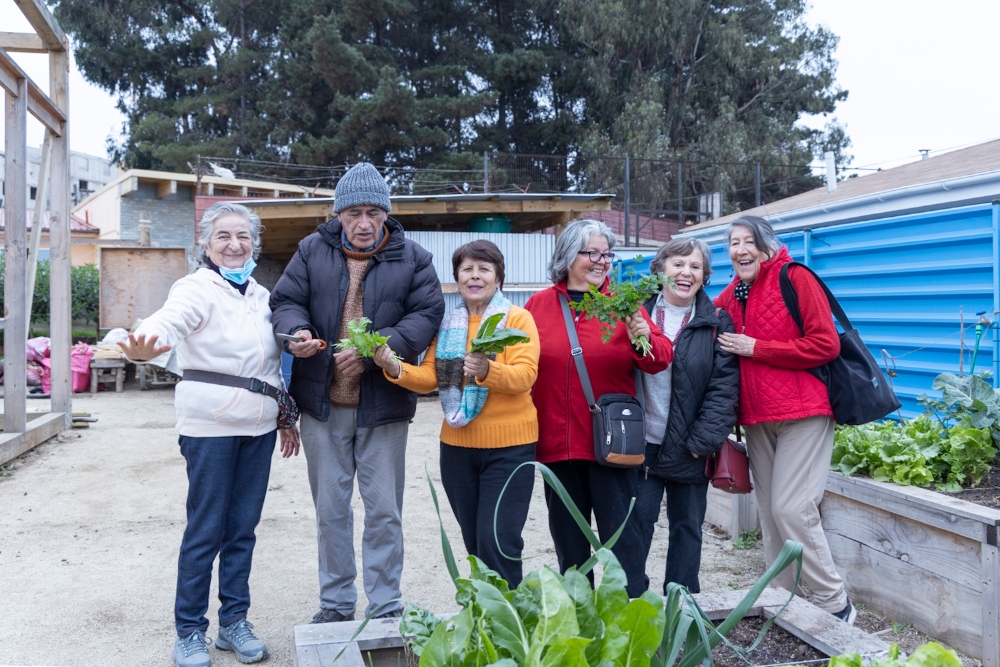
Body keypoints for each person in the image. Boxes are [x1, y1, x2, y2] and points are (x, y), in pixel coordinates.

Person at [119, 202, 301, 667]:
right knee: (206, 530)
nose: (234, 244)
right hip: (212, 428)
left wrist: (284, 415)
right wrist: (145, 341)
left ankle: (234, 623)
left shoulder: (261, 296)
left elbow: (269, 360)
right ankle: (190, 631)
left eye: (243, 236)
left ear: (254, 244)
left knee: (243, 530)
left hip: (259, 427)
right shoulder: (196, 288)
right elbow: (169, 319)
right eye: (223, 236)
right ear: (206, 243)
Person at [268, 162, 445, 623]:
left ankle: (385, 604)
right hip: (322, 407)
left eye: (373, 212)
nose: (363, 223)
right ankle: (336, 604)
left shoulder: (414, 258)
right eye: (352, 213)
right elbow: (285, 302)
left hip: (383, 406)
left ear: (386, 214)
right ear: (337, 215)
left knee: (384, 510)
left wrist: (372, 352)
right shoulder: (311, 250)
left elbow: (426, 315)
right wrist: (297, 332)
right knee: (331, 511)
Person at [372, 240, 539, 586]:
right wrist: (396, 368)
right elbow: (432, 376)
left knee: (500, 541)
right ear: (457, 278)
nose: (475, 276)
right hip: (458, 448)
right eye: (467, 269)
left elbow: (525, 377)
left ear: (498, 278)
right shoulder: (448, 324)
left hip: (509, 450)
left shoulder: (517, 319)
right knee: (475, 543)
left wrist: (486, 371)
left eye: (484, 269)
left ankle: (511, 622)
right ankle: (483, 619)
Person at [714, 215, 855, 624]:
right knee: (770, 513)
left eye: (748, 242)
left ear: (767, 246)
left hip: (803, 413)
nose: (740, 250)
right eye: (733, 243)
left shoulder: (795, 277)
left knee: (793, 507)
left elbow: (825, 344)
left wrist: (757, 348)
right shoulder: (737, 290)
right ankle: (780, 598)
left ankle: (836, 603)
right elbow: (702, 316)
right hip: (757, 418)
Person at [524, 219, 672, 597]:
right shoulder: (538, 307)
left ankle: (634, 618)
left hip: (613, 447)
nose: (601, 261)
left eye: (606, 254)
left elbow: (660, 359)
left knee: (625, 544)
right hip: (557, 448)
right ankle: (580, 623)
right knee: (571, 551)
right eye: (592, 253)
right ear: (568, 255)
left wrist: (644, 333)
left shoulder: (622, 303)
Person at [634, 238, 739, 594]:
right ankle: (632, 604)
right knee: (636, 525)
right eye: (678, 264)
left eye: (695, 267)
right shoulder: (636, 312)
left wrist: (702, 443)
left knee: (687, 528)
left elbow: (724, 387)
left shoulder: (716, 322)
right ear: (661, 268)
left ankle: (682, 609)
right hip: (642, 444)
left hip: (690, 445)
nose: (686, 273)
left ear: (704, 276)